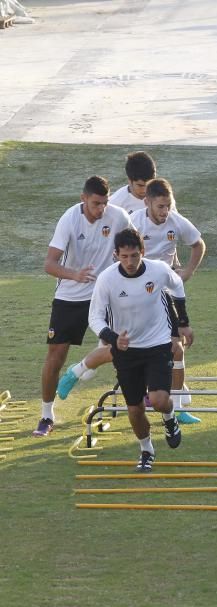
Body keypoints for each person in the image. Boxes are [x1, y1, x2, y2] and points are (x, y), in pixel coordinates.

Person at [57, 179, 206, 426]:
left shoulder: (175, 221)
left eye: (168, 206)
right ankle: (77, 370)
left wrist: (186, 271)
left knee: (176, 348)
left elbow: (197, 245)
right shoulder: (133, 222)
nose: (165, 211)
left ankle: (177, 407)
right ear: (147, 203)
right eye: (160, 206)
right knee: (116, 350)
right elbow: (116, 249)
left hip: (159, 293)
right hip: (128, 293)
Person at [34, 176, 132, 436]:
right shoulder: (69, 220)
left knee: (125, 345)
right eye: (96, 203)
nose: (101, 209)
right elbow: (49, 264)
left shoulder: (118, 216)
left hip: (105, 293)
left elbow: (135, 245)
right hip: (71, 295)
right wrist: (75, 274)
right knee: (56, 355)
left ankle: (86, 370)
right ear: (83, 199)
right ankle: (46, 415)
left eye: (105, 203)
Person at [88, 228, 188, 471]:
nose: (130, 262)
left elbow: (177, 287)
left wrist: (182, 324)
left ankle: (169, 417)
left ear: (142, 252)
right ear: (116, 255)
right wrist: (113, 338)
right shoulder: (107, 279)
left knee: (159, 399)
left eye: (134, 256)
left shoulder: (158, 270)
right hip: (126, 350)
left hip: (157, 344)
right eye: (124, 257)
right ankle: (146, 450)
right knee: (134, 409)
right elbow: (95, 317)